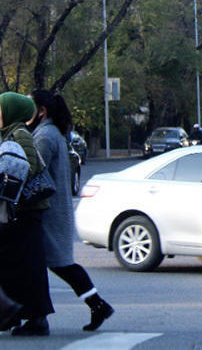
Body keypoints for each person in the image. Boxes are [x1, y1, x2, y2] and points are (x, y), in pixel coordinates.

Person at [28, 90, 114, 331]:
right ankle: (93, 305)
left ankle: (95, 305)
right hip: (56, 209)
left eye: (30, 106)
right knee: (54, 264)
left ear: (41, 111)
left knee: (58, 263)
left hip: (48, 212)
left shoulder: (44, 136)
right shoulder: (54, 133)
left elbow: (35, 171)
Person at [0, 92, 54, 336]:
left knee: (28, 268)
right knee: (17, 267)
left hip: (27, 211)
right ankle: (15, 315)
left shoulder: (19, 135)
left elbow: (27, 168)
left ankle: (35, 319)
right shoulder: (10, 135)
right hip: (19, 212)